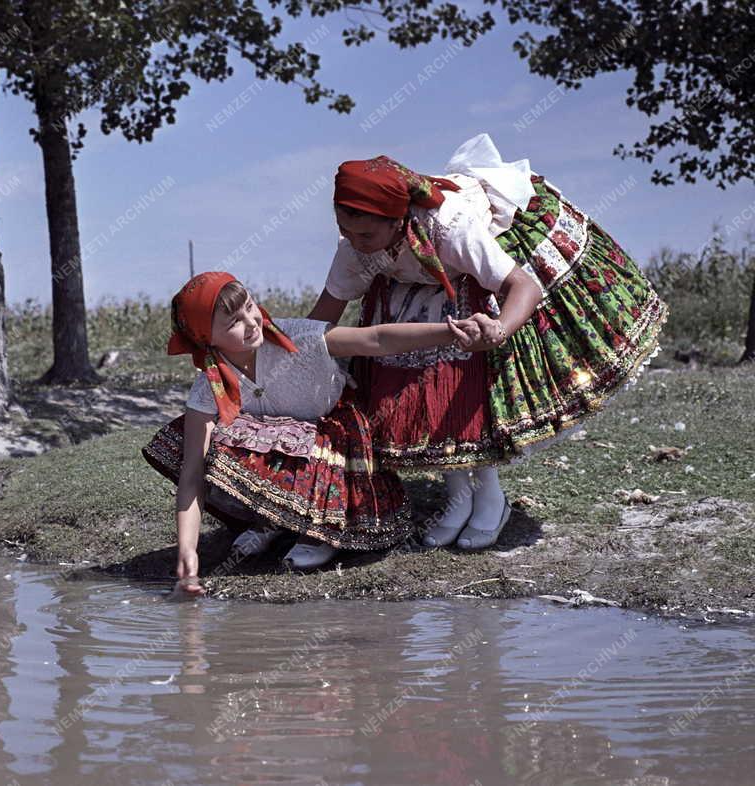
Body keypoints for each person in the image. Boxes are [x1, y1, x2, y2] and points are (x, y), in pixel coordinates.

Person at [307, 133, 668, 551]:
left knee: (464, 383)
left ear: (398, 220)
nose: (354, 242)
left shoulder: (451, 229)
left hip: (479, 273)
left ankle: (490, 500)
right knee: (422, 388)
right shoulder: (357, 247)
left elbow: (523, 286)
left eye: (365, 234)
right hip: (419, 282)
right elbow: (320, 320)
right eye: (344, 230)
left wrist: (498, 330)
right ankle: (458, 500)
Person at [141, 271, 486, 596]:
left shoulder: (301, 336)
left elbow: (377, 338)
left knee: (292, 439)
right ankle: (271, 520)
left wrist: (451, 330)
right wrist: (188, 551)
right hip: (285, 450)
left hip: (334, 436)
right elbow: (193, 474)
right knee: (196, 443)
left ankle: (321, 531)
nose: (251, 324)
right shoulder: (208, 386)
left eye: (249, 307)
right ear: (206, 337)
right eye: (234, 323)